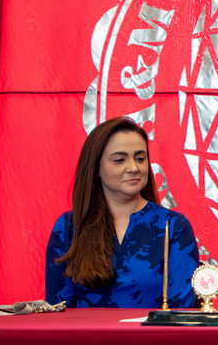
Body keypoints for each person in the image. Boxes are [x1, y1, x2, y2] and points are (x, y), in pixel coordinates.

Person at [46, 117, 200, 308]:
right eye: (119, 160)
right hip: (87, 338)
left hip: (154, 337)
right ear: (95, 168)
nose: (133, 168)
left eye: (140, 159)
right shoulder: (69, 226)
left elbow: (181, 311)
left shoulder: (174, 226)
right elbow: (58, 310)